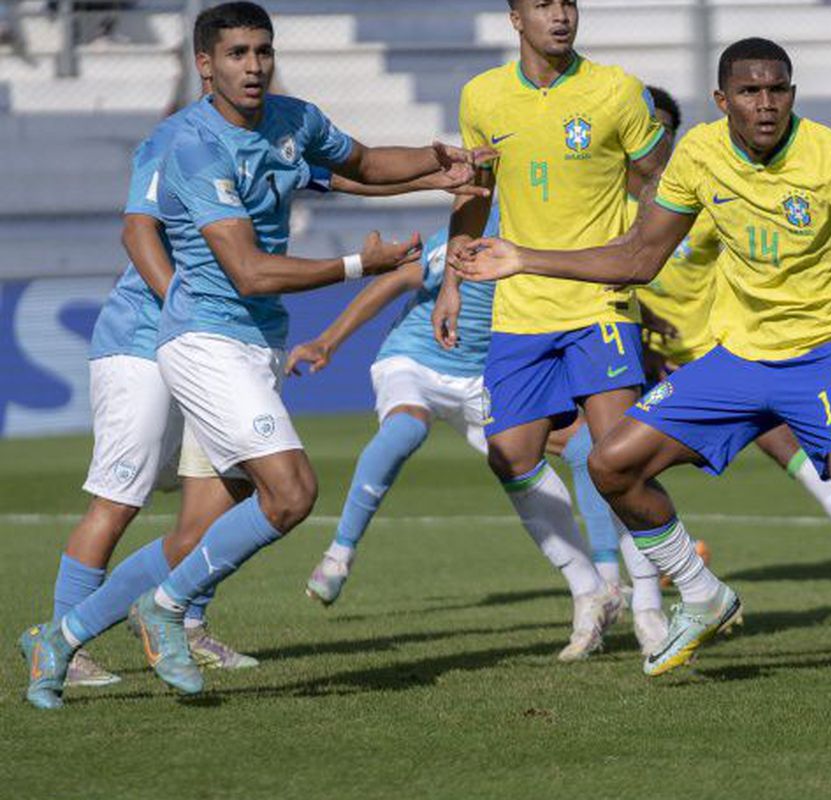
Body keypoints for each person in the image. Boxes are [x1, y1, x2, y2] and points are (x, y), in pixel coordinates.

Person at [456, 38, 831, 690]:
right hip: (740, 359)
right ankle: (701, 594)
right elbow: (638, 258)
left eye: (778, 90)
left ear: (793, 94)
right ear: (723, 101)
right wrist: (524, 258)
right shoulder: (699, 155)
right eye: (750, 92)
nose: (766, 103)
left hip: (830, 351)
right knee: (611, 465)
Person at [18, 1, 485, 709]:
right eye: (238, 53)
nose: (255, 65)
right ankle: (165, 609)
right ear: (204, 65)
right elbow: (216, 259)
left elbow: (352, 165)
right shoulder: (186, 143)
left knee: (202, 528)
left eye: (263, 51)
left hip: (253, 336)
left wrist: (437, 164)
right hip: (190, 333)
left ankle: (62, 638)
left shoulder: (292, 122)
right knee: (272, 492)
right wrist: (358, 264)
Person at [561, 86, 831, 598]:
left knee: (790, 448)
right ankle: (654, 570)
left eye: (663, 130)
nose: (653, 140)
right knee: (595, 451)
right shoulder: (606, 207)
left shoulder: (700, 193)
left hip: (719, 350)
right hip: (640, 351)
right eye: (644, 130)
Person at [289, 206, 653, 659]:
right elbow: (396, 281)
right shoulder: (482, 227)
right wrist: (327, 340)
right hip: (416, 361)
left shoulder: (554, 234)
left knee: (584, 448)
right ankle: (339, 556)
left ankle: (602, 584)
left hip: (482, 378)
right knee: (405, 429)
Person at [432, 0, 676, 656]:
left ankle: (653, 605)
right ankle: (589, 589)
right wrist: (452, 281)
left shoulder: (615, 90)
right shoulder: (482, 96)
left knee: (616, 458)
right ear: (516, 18)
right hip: (521, 306)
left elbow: (662, 178)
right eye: (543, 4)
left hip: (599, 302)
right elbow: (476, 193)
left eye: (568, 2)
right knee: (510, 453)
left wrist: (639, 247)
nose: (560, 15)